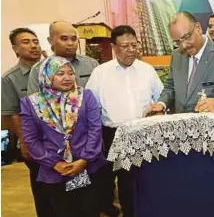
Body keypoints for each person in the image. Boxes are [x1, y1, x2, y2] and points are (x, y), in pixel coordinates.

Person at [86, 25, 164, 217]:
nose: (131, 50)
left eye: (134, 45)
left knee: (138, 181)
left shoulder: (147, 71)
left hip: (142, 132)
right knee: (113, 180)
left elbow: (161, 97)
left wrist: (159, 108)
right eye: (124, 46)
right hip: (112, 134)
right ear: (113, 47)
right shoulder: (101, 73)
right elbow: (90, 106)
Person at [20, 57, 107, 217]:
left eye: (70, 73)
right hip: (54, 171)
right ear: (47, 76)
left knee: (90, 210)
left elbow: (95, 129)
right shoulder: (31, 103)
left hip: (87, 166)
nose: (67, 78)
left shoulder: (85, 96)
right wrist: (55, 163)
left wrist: (84, 160)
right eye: (60, 73)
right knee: (62, 211)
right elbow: (32, 139)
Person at [147, 11, 214, 115]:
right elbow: (171, 86)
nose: (183, 45)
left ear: (198, 28)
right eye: (178, 42)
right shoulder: (177, 55)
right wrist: (161, 103)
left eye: (187, 37)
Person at [1, 28, 55, 217]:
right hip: (35, 141)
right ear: (15, 49)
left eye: (35, 41)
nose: (33, 45)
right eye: (26, 42)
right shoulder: (10, 78)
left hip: (58, 139)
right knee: (42, 188)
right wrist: (25, 143)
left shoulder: (53, 69)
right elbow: (14, 113)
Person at [27, 21, 99, 94]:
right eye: (64, 39)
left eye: (74, 39)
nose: (70, 43)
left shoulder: (92, 64)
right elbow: (34, 101)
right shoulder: (38, 69)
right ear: (50, 40)